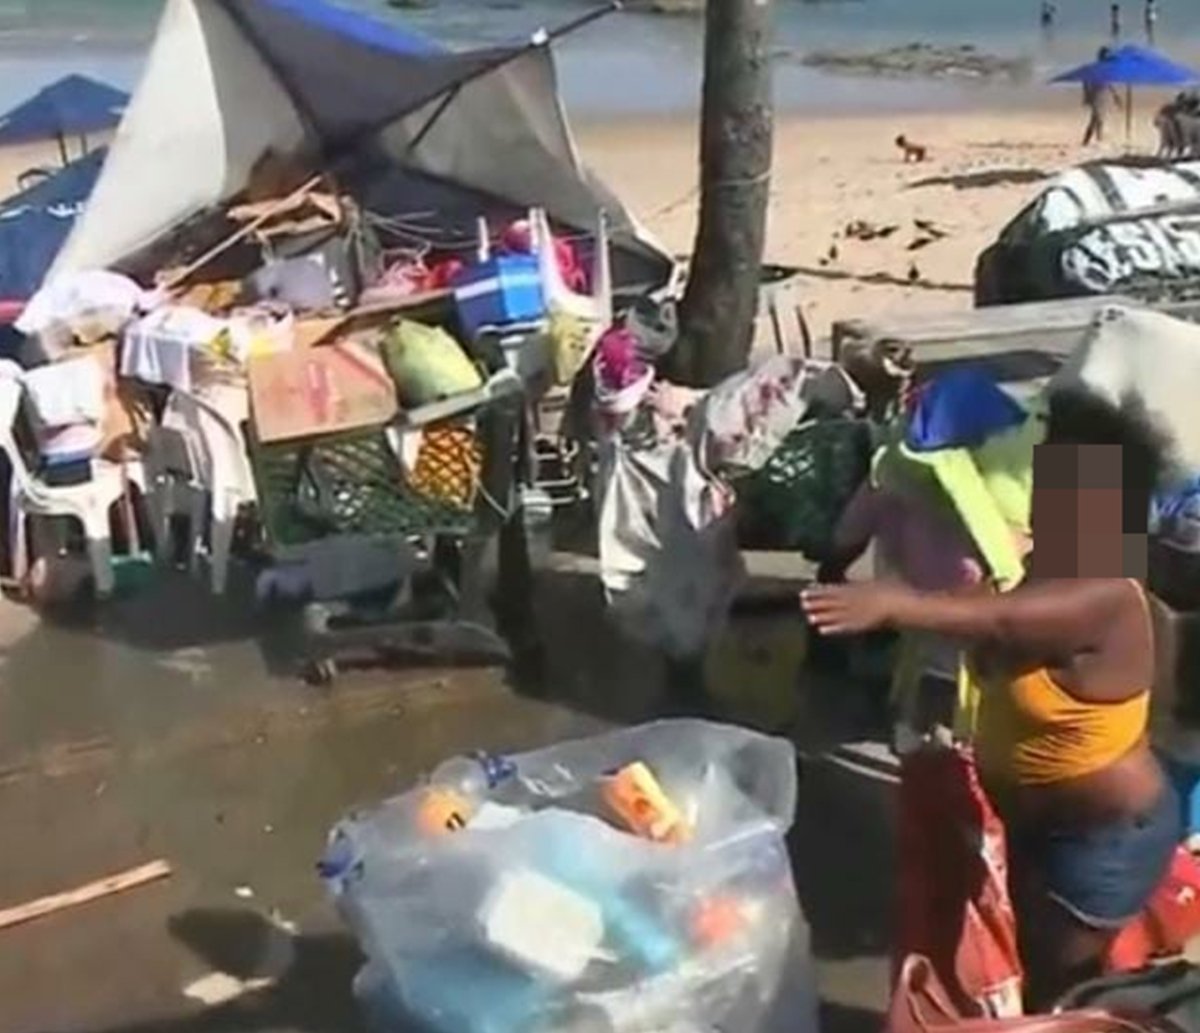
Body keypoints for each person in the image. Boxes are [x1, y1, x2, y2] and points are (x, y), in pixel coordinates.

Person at [802, 431, 1179, 1009]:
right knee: (1031, 956)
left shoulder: (1108, 595)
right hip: (1040, 824)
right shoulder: (1046, 568)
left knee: (1060, 989)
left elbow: (1002, 623)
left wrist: (891, 601)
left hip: (1103, 836)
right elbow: (992, 631)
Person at [1082, 51, 1122, 146]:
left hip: (1103, 94)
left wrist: (1115, 96)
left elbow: (1108, 83)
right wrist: (1087, 95)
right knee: (1097, 118)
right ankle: (1088, 140)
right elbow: (1085, 80)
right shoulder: (1095, 68)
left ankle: (1097, 139)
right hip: (1095, 94)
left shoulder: (1105, 69)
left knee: (1099, 118)